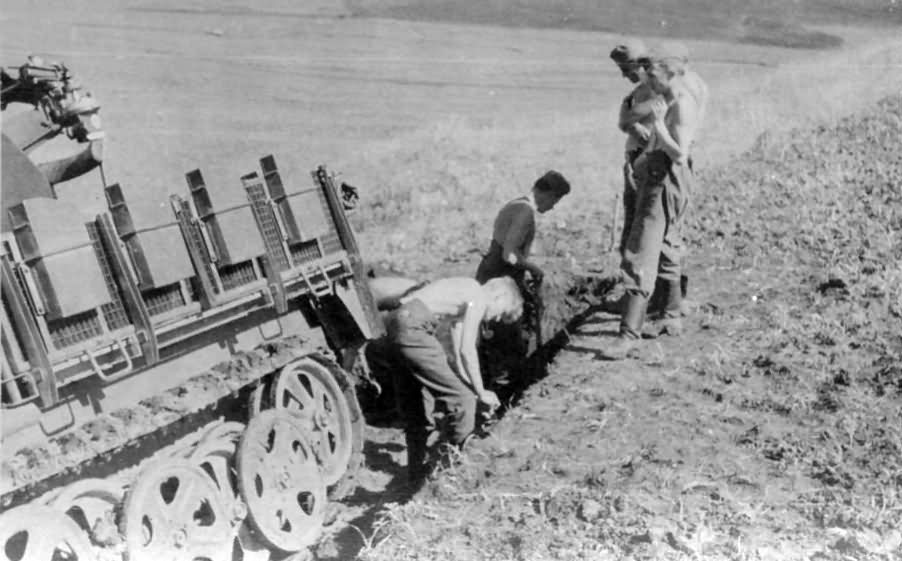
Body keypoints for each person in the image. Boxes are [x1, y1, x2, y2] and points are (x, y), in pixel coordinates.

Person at [602, 44, 704, 359]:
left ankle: (628, 335)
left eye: (655, 80)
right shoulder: (678, 94)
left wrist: (657, 126)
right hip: (663, 174)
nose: (650, 86)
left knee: (639, 250)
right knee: (667, 240)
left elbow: (678, 152)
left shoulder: (679, 104)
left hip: (663, 180)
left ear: (670, 76)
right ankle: (671, 313)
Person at [385, 275, 524, 484]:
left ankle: (415, 478)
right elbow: (468, 350)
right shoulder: (478, 296)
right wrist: (479, 393)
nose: (495, 320)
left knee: (418, 408)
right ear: (500, 295)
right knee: (462, 399)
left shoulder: (466, 294)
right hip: (414, 325)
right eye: (501, 314)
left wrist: (477, 391)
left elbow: (460, 356)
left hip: (397, 322)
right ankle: (456, 469)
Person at [475, 170, 571, 285]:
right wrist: (533, 269)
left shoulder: (515, 204)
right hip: (498, 279)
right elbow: (509, 255)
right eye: (554, 202)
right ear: (548, 195)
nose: (552, 207)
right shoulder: (525, 213)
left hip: (490, 273)